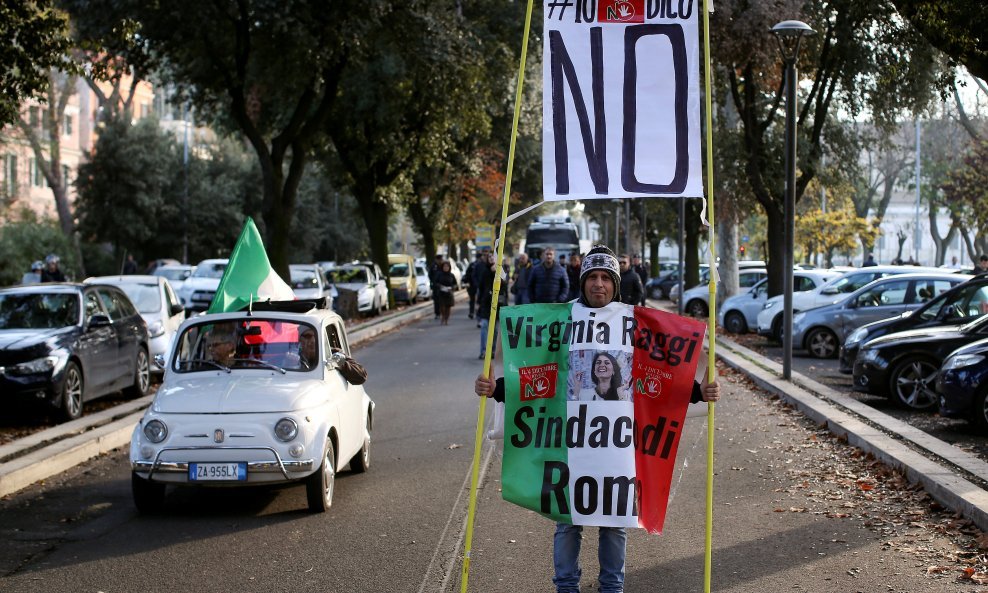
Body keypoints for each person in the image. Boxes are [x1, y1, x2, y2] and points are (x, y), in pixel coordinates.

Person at [474, 244, 721, 593]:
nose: (599, 285)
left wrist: (698, 391)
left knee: (615, 523)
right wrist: (496, 388)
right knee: (567, 522)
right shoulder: (563, 320)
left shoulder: (634, 320)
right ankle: (566, 587)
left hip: (616, 446)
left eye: (607, 278)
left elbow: (659, 375)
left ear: (616, 285)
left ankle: (611, 588)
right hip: (569, 444)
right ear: (583, 281)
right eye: (593, 277)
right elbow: (540, 373)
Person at [434, 261, 457, 325]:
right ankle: (443, 316)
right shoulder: (439, 274)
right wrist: (440, 286)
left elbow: (455, 284)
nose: (446, 268)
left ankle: (446, 319)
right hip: (441, 292)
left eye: (447, 266)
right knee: (442, 307)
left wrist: (452, 288)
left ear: (449, 267)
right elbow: (435, 282)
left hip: (449, 293)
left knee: (448, 307)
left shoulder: (451, 275)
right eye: (444, 266)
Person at [465, 252, 482, 319]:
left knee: (474, 300)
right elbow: (467, 275)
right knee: (474, 299)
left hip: (475, 285)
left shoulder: (473, 265)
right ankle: (473, 312)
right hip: (474, 285)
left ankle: (473, 312)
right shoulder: (475, 265)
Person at [429, 254, 444, 320]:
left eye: (441, 259)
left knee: (443, 300)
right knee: (436, 300)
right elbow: (430, 275)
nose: (440, 261)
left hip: (443, 285)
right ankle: (437, 313)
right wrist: (433, 282)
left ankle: (443, 312)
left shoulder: (443, 265)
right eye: (439, 260)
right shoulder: (433, 266)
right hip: (435, 285)